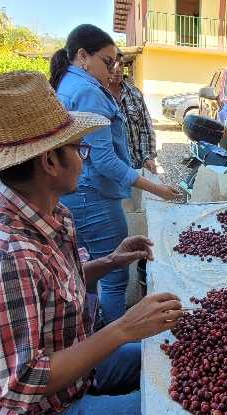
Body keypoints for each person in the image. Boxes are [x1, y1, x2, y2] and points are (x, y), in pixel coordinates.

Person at [0, 71, 183, 415]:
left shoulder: (51, 212)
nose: (83, 159)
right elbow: (22, 383)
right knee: (175, 413)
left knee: (174, 356)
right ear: (50, 161)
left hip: (69, 381)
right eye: (80, 150)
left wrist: (109, 263)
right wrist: (124, 327)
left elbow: (54, 289)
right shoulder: (2, 256)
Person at [49, 24, 180, 324]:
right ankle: (115, 346)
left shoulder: (69, 83)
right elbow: (104, 159)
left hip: (80, 192)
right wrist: (157, 189)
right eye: (107, 61)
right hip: (93, 195)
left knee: (86, 267)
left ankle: (88, 330)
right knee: (116, 277)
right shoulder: (87, 91)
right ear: (83, 55)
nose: (113, 69)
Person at [108, 49, 158, 173]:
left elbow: (146, 128)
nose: (117, 68)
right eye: (112, 63)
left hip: (137, 167)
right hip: (114, 171)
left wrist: (148, 157)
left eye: (121, 64)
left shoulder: (134, 93)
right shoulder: (99, 96)